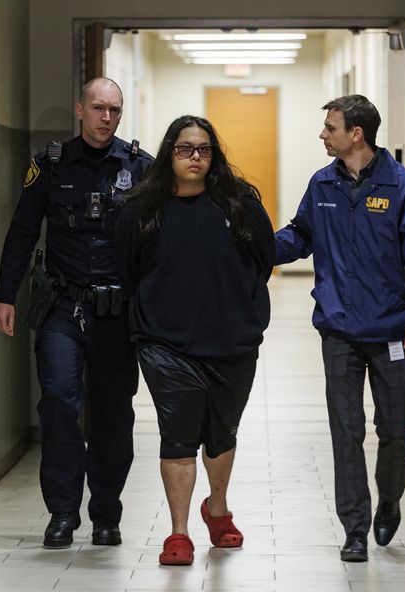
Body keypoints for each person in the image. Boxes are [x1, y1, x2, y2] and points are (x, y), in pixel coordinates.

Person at [274, 95, 405, 562]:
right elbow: (300, 235)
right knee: (345, 431)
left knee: (394, 429)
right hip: (339, 332)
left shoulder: (402, 187)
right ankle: (355, 528)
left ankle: (389, 498)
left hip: (392, 333)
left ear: (356, 135)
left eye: (330, 127)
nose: (322, 135)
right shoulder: (322, 183)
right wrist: (253, 247)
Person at [0, 77, 153, 549]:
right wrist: (6, 295)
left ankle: (106, 513)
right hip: (63, 307)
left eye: (115, 110)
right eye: (99, 108)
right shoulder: (50, 165)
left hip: (117, 312)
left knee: (111, 414)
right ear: (79, 109)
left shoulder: (139, 167)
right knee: (60, 404)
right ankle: (63, 512)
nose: (107, 118)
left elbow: (159, 240)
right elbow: (22, 232)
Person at [114, 115, 275, 566]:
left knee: (221, 434)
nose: (195, 157)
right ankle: (179, 532)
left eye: (203, 149)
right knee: (178, 434)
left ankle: (217, 508)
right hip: (165, 343)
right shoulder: (142, 209)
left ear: (214, 155)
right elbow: (127, 268)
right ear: (169, 153)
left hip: (232, 343)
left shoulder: (240, 203)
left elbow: (263, 260)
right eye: (185, 149)